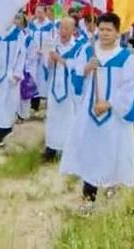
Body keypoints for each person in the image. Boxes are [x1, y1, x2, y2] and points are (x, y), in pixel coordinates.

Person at [59, 13, 134, 214]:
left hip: (113, 118)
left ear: (117, 33)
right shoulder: (88, 51)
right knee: (91, 154)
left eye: (109, 30)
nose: (105, 33)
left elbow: (129, 88)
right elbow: (75, 76)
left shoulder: (124, 58)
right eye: (102, 29)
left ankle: (111, 183)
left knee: (112, 152)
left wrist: (109, 104)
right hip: (89, 116)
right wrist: (85, 69)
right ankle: (88, 198)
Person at [43, 17, 84, 162]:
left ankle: (67, 150)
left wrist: (60, 59)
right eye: (61, 28)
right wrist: (49, 59)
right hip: (54, 88)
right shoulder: (53, 44)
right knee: (53, 116)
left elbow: (79, 67)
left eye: (67, 28)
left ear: (73, 30)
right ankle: (50, 148)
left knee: (68, 118)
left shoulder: (79, 46)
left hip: (69, 90)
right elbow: (45, 66)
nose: (63, 31)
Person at [0, 16, 26, 147]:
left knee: (7, 102)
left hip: (9, 76)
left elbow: (21, 54)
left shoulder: (17, 34)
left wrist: (17, 73)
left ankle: (5, 129)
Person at [28, 5, 56, 112]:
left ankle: (47, 105)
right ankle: (34, 105)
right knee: (33, 79)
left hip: (45, 58)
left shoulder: (50, 26)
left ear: (45, 13)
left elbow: (52, 41)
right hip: (33, 57)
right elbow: (28, 39)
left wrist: (44, 50)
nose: (38, 14)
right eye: (37, 12)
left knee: (44, 80)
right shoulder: (31, 26)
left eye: (40, 12)